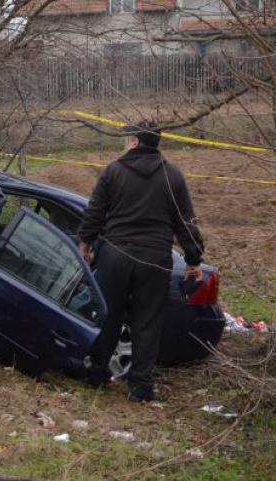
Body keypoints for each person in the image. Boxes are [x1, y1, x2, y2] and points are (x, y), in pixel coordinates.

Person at [77, 122, 204, 403]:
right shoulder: (172, 175)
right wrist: (193, 259)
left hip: (115, 254)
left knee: (109, 315)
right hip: (154, 259)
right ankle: (141, 387)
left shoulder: (113, 171)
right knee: (148, 321)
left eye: (126, 139)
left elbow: (95, 213)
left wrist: (85, 244)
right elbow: (185, 222)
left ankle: (96, 374)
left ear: (134, 141)